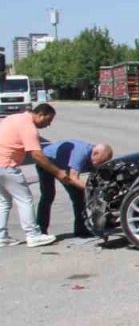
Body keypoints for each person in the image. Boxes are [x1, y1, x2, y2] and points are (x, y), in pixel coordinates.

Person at [0, 103, 74, 247]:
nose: (48, 124)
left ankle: (1, 236)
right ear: (41, 114)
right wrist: (58, 173)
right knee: (25, 199)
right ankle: (33, 235)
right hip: (7, 165)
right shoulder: (29, 128)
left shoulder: (14, 118)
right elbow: (37, 155)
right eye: (48, 120)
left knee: (4, 201)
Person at [37, 140, 113, 238]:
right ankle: (40, 230)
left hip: (63, 164)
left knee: (79, 197)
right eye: (100, 162)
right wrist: (92, 189)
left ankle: (81, 230)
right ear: (95, 153)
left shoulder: (94, 156)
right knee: (48, 195)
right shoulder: (81, 153)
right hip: (46, 161)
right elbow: (73, 178)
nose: (99, 165)